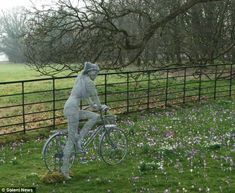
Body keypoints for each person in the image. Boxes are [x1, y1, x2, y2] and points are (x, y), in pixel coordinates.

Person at [61, 62, 107, 179]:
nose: (96, 74)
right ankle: (64, 170)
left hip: (71, 107)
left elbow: (87, 97)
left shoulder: (82, 79)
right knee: (71, 140)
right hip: (72, 109)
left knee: (94, 116)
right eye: (95, 72)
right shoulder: (89, 82)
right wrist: (100, 106)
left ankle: (80, 138)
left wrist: (92, 105)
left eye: (97, 72)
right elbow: (95, 96)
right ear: (89, 71)